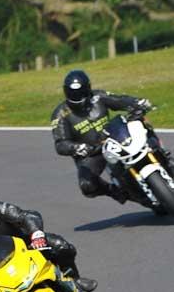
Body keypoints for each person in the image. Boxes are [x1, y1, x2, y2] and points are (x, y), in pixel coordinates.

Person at [51, 69, 159, 202]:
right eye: (73, 93)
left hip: (113, 138)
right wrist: (77, 147)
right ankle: (113, 191)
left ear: (88, 88)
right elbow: (60, 143)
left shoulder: (98, 97)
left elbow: (118, 100)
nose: (78, 96)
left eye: (81, 92)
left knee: (139, 121)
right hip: (91, 152)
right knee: (87, 185)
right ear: (66, 92)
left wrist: (137, 102)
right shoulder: (60, 114)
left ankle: (159, 151)